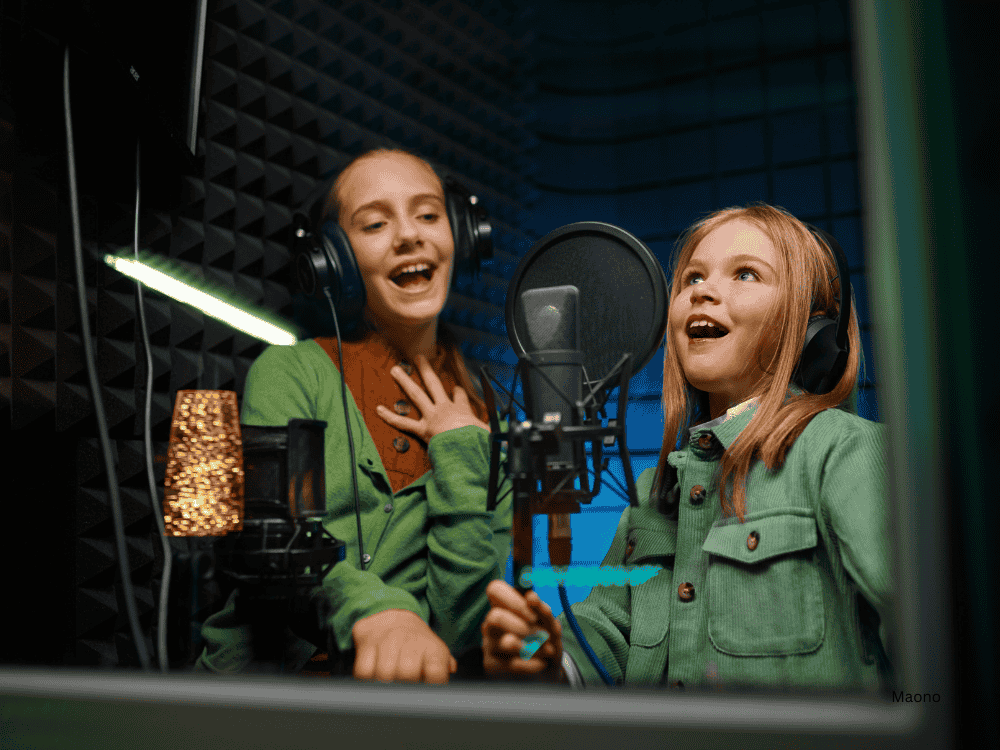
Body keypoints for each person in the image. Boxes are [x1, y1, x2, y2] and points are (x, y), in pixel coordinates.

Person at [481, 204, 893, 692]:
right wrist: (543, 657)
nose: (702, 290)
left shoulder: (843, 454)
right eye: (692, 277)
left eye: (745, 274)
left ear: (811, 328)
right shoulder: (654, 492)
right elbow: (604, 632)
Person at [196, 148, 512, 683]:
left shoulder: (485, 419)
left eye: (429, 214)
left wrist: (460, 451)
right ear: (332, 258)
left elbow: (464, 630)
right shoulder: (291, 373)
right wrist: (376, 615)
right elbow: (270, 542)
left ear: (462, 236)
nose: (409, 235)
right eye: (374, 223)